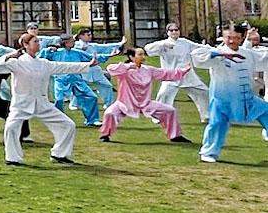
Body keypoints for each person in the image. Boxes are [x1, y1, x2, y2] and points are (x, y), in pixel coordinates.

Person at [0, 34, 97, 166]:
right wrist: (10, 56)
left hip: (42, 104)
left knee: (68, 125)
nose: (38, 43)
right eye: (35, 41)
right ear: (26, 45)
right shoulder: (16, 62)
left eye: (38, 41)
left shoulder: (43, 63)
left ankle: (60, 154)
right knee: (11, 127)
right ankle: (12, 158)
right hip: (21, 104)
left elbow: (65, 66)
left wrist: (88, 65)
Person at [194, 23, 268, 163]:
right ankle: (208, 153)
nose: (232, 41)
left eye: (236, 38)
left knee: (266, 111)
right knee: (217, 124)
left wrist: (251, 40)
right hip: (222, 99)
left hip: (247, 98)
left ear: (242, 38)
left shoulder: (248, 53)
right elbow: (197, 56)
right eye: (228, 37)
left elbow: (264, 57)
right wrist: (221, 54)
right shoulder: (216, 53)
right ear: (223, 37)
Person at [100, 47, 192, 143]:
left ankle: (175, 136)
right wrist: (129, 66)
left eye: (143, 54)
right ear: (131, 57)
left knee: (170, 110)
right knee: (110, 113)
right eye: (140, 55)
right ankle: (105, 135)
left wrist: (183, 71)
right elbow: (111, 69)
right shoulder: (124, 71)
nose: (143, 57)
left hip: (146, 104)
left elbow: (164, 73)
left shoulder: (148, 70)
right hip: (125, 104)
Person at [145, 24, 209, 122]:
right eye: (171, 30)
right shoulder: (163, 44)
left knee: (203, 92)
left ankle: (206, 116)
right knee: (163, 95)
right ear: (167, 32)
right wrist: (163, 45)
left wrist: (214, 49)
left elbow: (199, 47)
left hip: (188, 75)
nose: (174, 32)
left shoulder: (185, 42)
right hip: (171, 75)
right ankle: (159, 117)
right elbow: (148, 48)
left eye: (176, 30)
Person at [39, 35, 102, 126]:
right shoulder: (56, 53)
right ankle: (59, 120)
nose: (74, 42)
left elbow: (91, 57)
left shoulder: (77, 52)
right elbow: (40, 58)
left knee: (91, 96)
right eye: (72, 41)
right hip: (61, 81)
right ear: (65, 43)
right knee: (59, 100)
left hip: (77, 80)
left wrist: (108, 55)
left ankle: (92, 120)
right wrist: (48, 50)